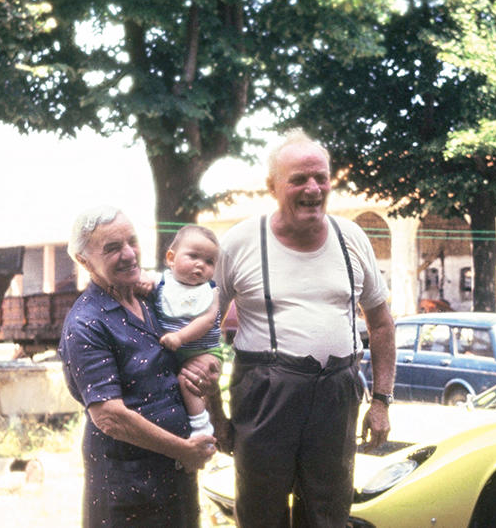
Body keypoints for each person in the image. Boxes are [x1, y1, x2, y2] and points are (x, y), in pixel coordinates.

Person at [201, 129, 397, 527]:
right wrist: (215, 415)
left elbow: (381, 324)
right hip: (265, 398)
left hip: (336, 396)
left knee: (329, 513)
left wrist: (381, 401)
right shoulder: (240, 242)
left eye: (321, 178)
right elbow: (203, 333)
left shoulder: (352, 237)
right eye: (299, 180)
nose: (313, 188)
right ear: (273, 187)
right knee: (261, 514)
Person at [57, 206, 217, 527]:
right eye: (113, 248)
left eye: (132, 241)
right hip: (127, 485)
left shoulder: (153, 300)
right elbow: (109, 417)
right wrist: (183, 450)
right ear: (84, 261)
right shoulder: (87, 323)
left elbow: (195, 347)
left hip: (175, 474)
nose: (129, 254)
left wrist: (208, 371)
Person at [154, 224, 223, 438]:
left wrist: (180, 337)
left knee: (188, 381)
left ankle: (202, 427)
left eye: (209, 261)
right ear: (171, 258)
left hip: (203, 352)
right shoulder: (162, 283)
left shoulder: (210, 291)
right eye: (193, 256)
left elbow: (207, 321)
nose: (200, 265)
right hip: (174, 353)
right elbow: (142, 284)